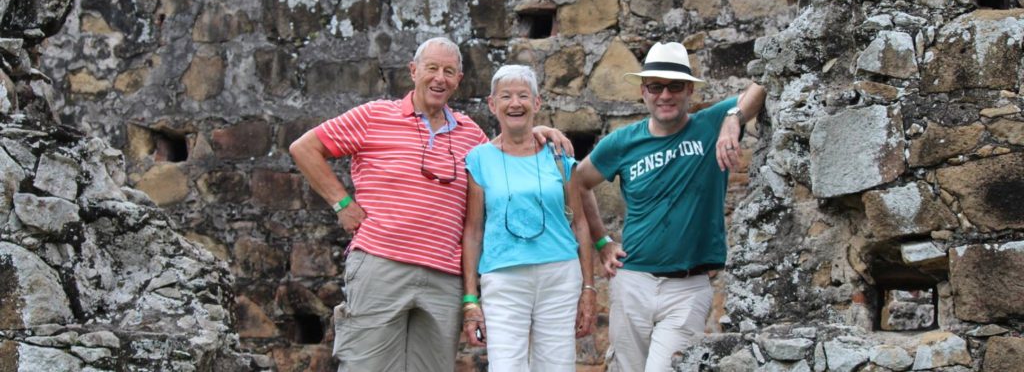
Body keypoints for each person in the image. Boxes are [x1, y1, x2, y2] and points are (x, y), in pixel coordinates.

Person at [289, 37, 572, 372]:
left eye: (449, 71)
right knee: (366, 366)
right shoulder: (375, 115)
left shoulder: (470, 134)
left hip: (444, 277)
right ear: (413, 71)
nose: (440, 78)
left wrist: (536, 129)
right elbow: (304, 148)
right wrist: (342, 204)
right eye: (432, 68)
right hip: (382, 264)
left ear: (458, 81)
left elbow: (506, 150)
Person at [575, 42, 766, 372]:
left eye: (675, 86)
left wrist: (734, 117)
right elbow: (578, 182)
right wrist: (602, 242)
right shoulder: (623, 141)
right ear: (643, 91)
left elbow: (765, 81)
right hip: (632, 279)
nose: (665, 95)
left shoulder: (709, 124)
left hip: (688, 286)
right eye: (656, 86)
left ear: (689, 89)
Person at [461, 65, 596, 372]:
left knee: (557, 366)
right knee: (506, 366)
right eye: (506, 96)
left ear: (536, 103)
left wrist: (589, 288)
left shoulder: (559, 156)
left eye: (523, 95)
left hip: (559, 276)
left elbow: (580, 224)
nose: (515, 103)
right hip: (503, 279)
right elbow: (473, 231)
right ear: (492, 104)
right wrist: (471, 300)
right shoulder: (479, 159)